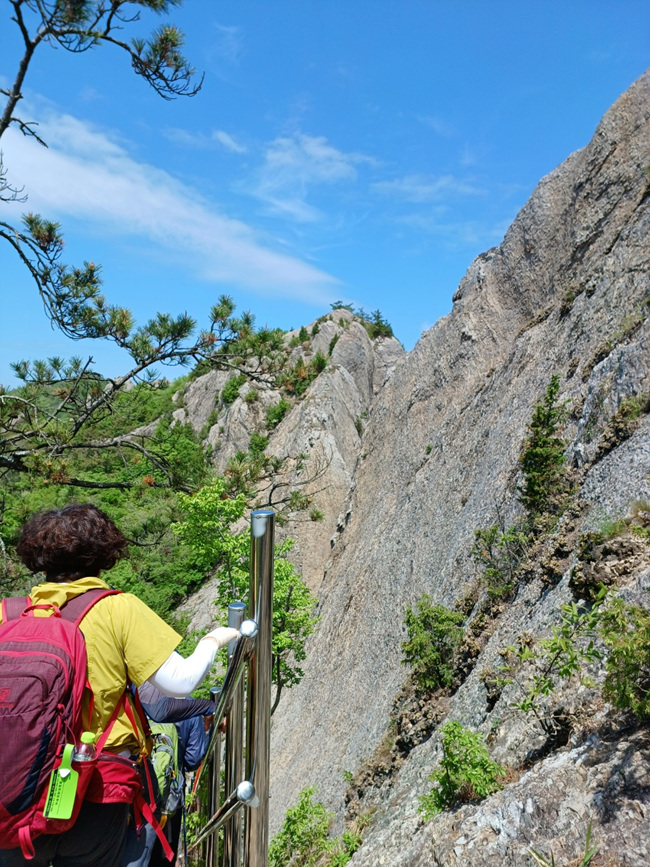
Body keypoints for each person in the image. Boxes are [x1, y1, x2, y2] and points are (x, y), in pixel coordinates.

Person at [0, 504, 239, 867]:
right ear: (103, 556)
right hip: (96, 784)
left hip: (15, 784)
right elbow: (180, 682)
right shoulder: (117, 609)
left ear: (39, 559)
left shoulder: (7, 613)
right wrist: (213, 640)